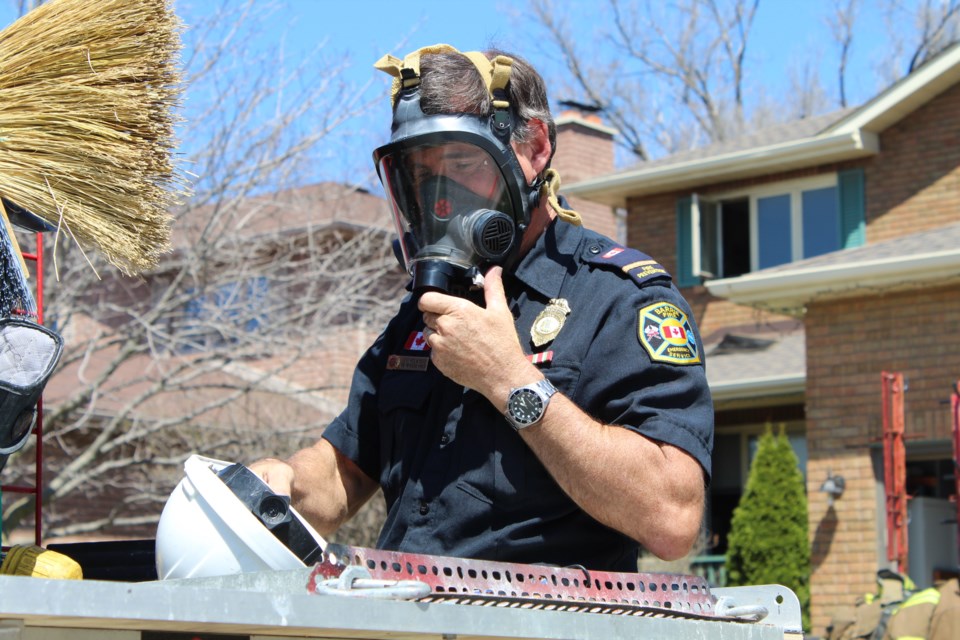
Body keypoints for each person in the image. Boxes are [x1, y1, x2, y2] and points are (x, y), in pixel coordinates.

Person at [251, 44, 713, 572]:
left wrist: (510, 381)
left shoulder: (620, 299)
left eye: (462, 163)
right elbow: (346, 473)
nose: (439, 200)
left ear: (535, 148)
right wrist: (282, 482)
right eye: (421, 175)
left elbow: (672, 518)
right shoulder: (427, 307)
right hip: (400, 618)